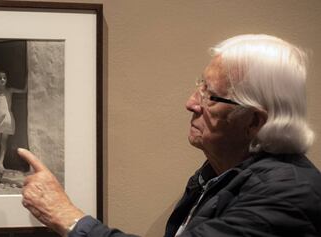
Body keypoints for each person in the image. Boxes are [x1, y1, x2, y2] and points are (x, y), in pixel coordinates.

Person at [18, 34, 321, 237]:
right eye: (201, 86)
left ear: (254, 121)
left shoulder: (289, 195)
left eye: (211, 96)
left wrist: (68, 217)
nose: (191, 103)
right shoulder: (219, 173)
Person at [0, 71, 27, 183]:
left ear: (6, 80)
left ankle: (0, 162)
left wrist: (28, 77)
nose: (2, 80)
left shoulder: (9, 90)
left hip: (7, 118)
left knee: (4, 141)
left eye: (4, 78)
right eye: (0, 78)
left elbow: (24, 91)